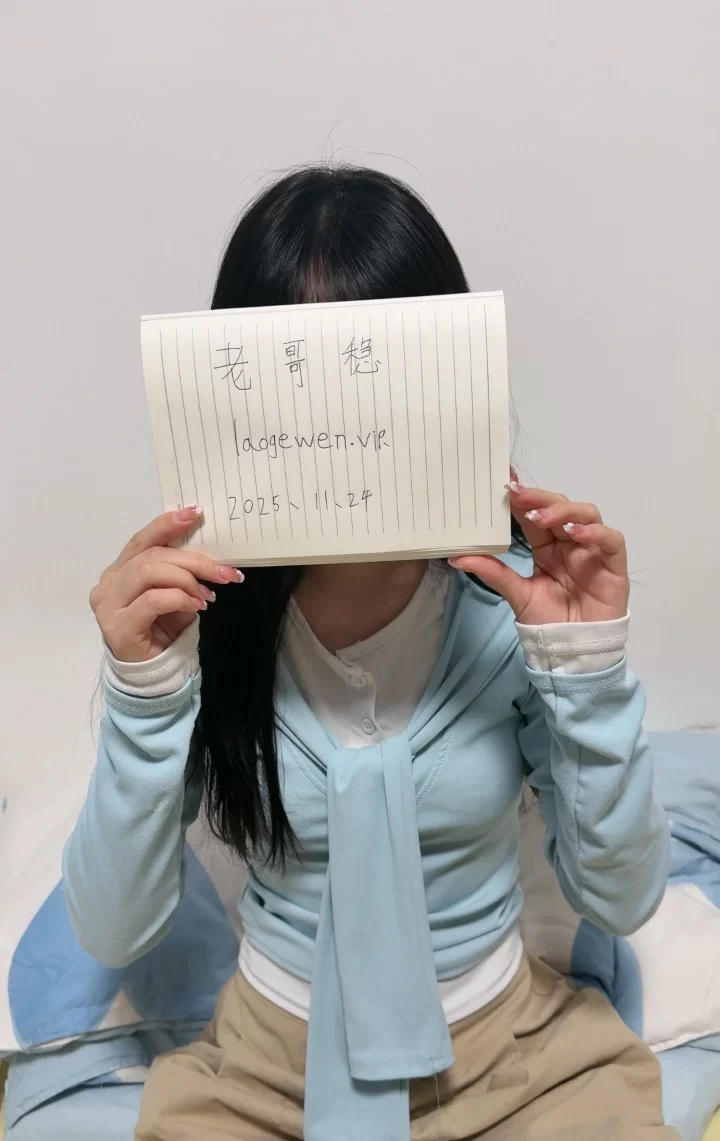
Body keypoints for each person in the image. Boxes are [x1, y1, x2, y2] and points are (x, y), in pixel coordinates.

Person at [63, 165, 678, 1140]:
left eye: (376, 378)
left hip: (513, 1057)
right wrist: (144, 695)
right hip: (265, 1066)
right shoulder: (202, 623)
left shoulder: (510, 614)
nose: (341, 432)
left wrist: (588, 667)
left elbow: (624, 892)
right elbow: (110, 927)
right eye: (293, 385)